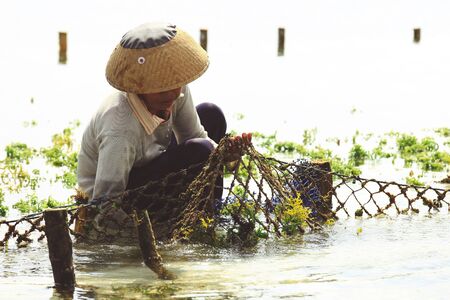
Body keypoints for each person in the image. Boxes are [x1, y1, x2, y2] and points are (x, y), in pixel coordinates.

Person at [76, 22, 251, 222]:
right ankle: (205, 224)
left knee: (211, 115)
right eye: (162, 90)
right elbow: (104, 203)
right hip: (124, 192)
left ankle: (206, 213)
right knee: (201, 151)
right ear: (140, 87)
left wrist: (225, 154)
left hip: (153, 162)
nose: (173, 95)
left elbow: (194, 136)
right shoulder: (120, 127)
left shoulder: (175, 89)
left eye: (175, 86)